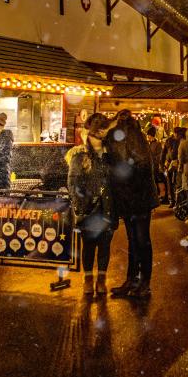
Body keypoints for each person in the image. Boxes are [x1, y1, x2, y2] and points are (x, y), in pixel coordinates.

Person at [107, 113, 158, 299]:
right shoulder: (120, 138)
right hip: (130, 196)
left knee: (140, 239)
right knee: (135, 239)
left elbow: (142, 167)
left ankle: (142, 282)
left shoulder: (134, 137)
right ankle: (134, 280)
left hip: (138, 197)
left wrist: (123, 175)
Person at [66, 113, 115, 297]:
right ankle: (88, 279)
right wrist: (80, 206)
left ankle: (101, 280)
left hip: (107, 207)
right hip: (89, 208)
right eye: (97, 135)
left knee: (104, 245)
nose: (98, 139)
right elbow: (73, 183)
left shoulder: (110, 155)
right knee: (88, 246)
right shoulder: (80, 156)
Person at [162, 127, 186, 206]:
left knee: (175, 183)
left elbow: (169, 154)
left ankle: (175, 201)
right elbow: (165, 152)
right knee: (174, 183)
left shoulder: (179, 141)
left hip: (174, 164)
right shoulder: (174, 140)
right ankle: (175, 201)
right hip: (173, 164)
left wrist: (162, 162)